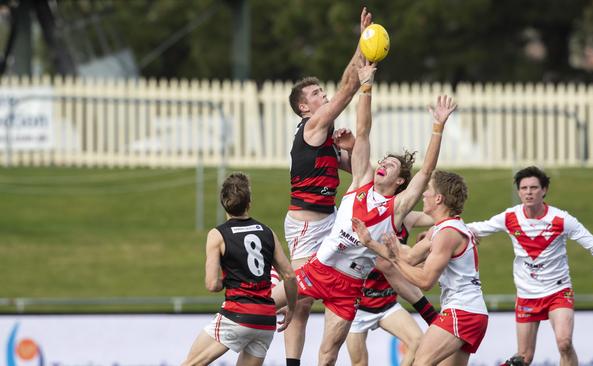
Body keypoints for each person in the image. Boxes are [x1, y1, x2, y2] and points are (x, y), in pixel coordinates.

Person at [273, 59, 457, 365]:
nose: (382, 163)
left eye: (392, 165)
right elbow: (364, 130)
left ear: (399, 181)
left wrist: (437, 127)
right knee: (259, 305)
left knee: (329, 352)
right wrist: (366, 86)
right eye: (382, 160)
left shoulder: (397, 208)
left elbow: (425, 171)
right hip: (320, 269)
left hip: (348, 287)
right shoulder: (359, 181)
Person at [276, 7, 373, 366]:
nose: (324, 96)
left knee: (343, 288)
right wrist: (362, 43)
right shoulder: (313, 126)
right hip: (305, 226)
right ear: (305, 107)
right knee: (300, 300)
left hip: (330, 221)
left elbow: (364, 173)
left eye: (322, 92)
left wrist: (349, 149)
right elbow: (349, 87)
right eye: (317, 94)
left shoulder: (328, 138)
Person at [466, 166, 593, 366]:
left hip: (558, 291)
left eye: (534, 187)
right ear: (518, 192)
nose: (528, 192)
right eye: (524, 188)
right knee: (523, 358)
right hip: (527, 294)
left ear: (544, 190)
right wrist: (437, 232)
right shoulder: (510, 217)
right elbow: (477, 228)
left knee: (564, 343)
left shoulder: (561, 219)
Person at [353, 170, 489, 365]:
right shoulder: (439, 229)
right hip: (470, 312)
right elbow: (409, 257)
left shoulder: (447, 233)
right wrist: (371, 243)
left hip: (463, 312)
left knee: (420, 361)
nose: (424, 194)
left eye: (428, 191)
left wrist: (395, 260)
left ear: (439, 198)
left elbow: (425, 281)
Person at [182, 172, 298, 366]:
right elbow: (289, 275)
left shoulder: (217, 235)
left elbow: (212, 284)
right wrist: (292, 308)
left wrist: (227, 279)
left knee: (190, 364)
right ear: (249, 203)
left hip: (236, 316)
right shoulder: (267, 232)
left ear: (222, 202)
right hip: (265, 321)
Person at [346, 211, 438, 366]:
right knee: (359, 363)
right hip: (358, 308)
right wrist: (424, 247)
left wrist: (434, 235)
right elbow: (398, 257)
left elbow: (441, 216)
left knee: (418, 342)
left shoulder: (407, 218)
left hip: (386, 303)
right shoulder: (372, 221)